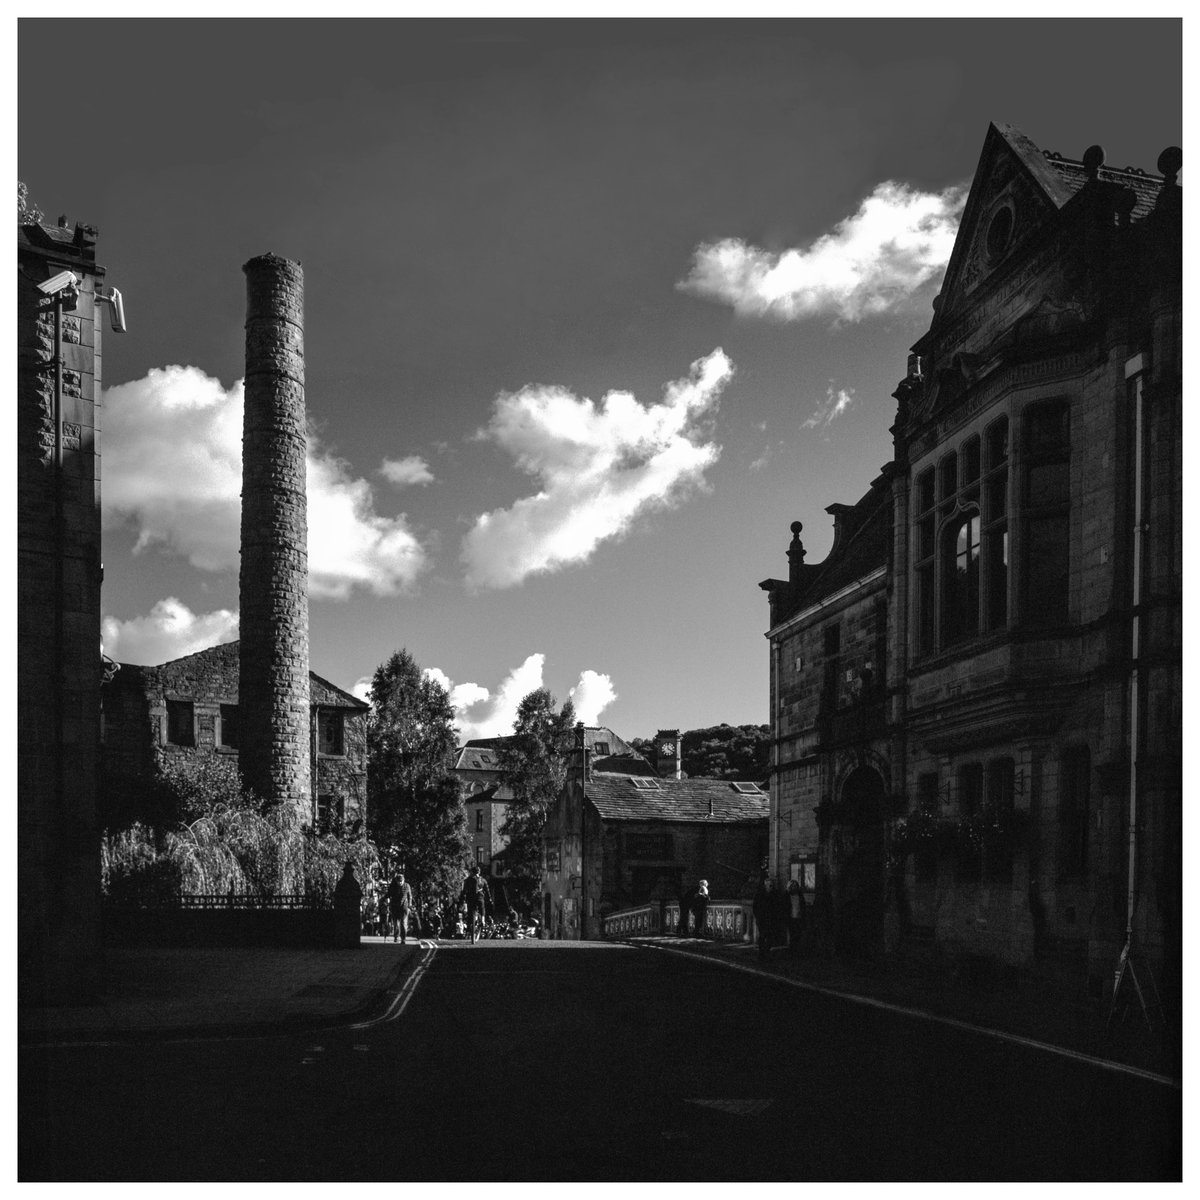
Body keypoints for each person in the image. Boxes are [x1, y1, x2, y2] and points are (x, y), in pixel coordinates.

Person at [461, 864, 492, 944]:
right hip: (479, 897)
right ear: (479, 872)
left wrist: (463, 900)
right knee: (482, 908)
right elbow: (487, 890)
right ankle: (483, 920)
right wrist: (490, 899)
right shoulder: (483, 880)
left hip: (471, 898)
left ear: (472, 872)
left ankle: (469, 926)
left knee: (470, 912)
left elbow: (464, 891)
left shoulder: (467, 880)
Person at [386, 872, 414, 944]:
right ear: (396, 881)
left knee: (403, 923)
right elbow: (388, 894)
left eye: (401, 881)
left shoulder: (407, 886)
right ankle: (396, 936)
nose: (400, 883)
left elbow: (410, 896)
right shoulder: (393, 886)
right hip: (395, 907)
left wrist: (409, 905)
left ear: (404, 880)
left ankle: (403, 939)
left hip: (404, 907)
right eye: (399, 881)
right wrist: (384, 899)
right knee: (396, 924)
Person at [752, 874, 775, 959]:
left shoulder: (773, 894)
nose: (771, 887)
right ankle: (761, 953)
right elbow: (755, 906)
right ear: (765, 885)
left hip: (770, 918)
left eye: (772, 885)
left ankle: (766, 951)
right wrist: (758, 916)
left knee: (769, 936)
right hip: (762, 919)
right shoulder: (759, 894)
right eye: (770, 885)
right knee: (762, 935)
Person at [786, 878, 808, 955]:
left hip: (799, 918)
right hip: (791, 918)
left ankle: (796, 951)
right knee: (792, 935)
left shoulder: (800, 896)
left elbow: (803, 906)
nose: (794, 887)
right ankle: (792, 951)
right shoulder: (787, 896)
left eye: (795, 886)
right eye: (792, 886)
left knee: (798, 934)